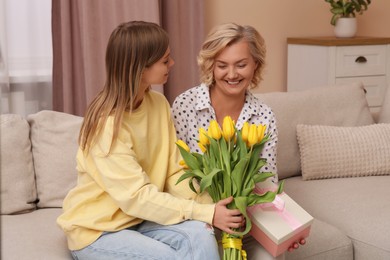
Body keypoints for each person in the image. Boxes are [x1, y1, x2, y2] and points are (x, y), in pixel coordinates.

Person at [57, 20, 245, 260]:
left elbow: (174, 172)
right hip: (99, 230)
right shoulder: (106, 124)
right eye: (165, 60)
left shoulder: (157, 104)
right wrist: (204, 212)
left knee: (201, 233)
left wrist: (215, 208)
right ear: (140, 68)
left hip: (141, 219)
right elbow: (136, 197)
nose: (172, 64)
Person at [171, 22, 304, 260]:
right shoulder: (185, 105)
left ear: (256, 65)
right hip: (198, 222)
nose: (232, 74)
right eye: (222, 65)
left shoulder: (263, 116)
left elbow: (267, 182)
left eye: (241, 65)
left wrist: (288, 230)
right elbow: (173, 175)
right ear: (210, 65)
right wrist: (210, 213)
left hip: (245, 222)